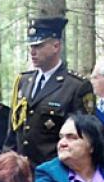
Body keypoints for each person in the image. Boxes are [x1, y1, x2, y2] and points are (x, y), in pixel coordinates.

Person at [6, 17, 94, 168]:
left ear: (56, 46)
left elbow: (84, 136)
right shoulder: (24, 82)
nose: (33, 52)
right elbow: (13, 132)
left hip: (55, 172)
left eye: (39, 46)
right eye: (31, 47)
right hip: (21, 172)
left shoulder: (75, 86)